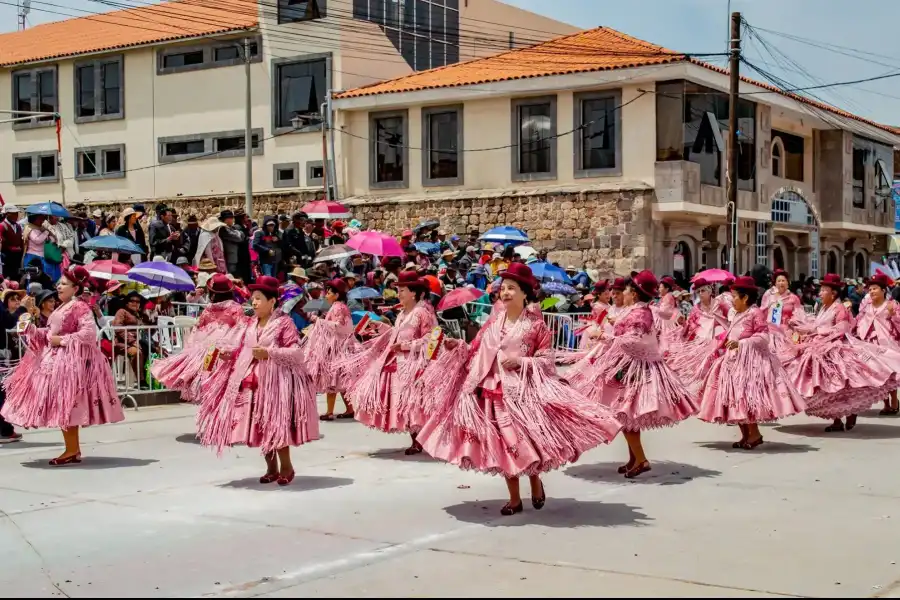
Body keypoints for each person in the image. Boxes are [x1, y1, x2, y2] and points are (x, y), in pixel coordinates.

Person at [416, 263, 622, 515]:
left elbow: (547, 361)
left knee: (526, 444)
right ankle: (514, 499)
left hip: (522, 394)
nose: (505, 293)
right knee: (504, 445)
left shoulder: (536, 326)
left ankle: (535, 480)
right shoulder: (492, 324)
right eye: (503, 288)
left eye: (512, 288)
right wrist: (455, 345)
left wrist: (521, 362)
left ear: (525, 294)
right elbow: (474, 351)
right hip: (491, 391)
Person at [566, 270, 698, 479]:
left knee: (626, 416)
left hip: (634, 370)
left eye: (626, 289)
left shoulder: (639, 314)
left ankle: (642, 459)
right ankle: (634, 458)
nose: (623, 293)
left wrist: (604, 337)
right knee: (627, 417)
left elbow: (634, 341)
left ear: (634, 294)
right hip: (627, 367)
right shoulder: (636, 310)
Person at [197, 276, 318, 486]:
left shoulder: (284, 323)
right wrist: (226, 355)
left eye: (259, 298)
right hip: (252, 380)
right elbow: (241, 348)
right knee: (261, 424)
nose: (254, 303)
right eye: (253, 298)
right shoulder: (249, 324)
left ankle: (286, 467)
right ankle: (271, 468)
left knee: (276, 424)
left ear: (272, 301)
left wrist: (269, 353)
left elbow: (297, 352)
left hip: (277, 381)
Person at [1, 266, 123, 465]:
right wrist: (30, 329)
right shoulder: (63, 306)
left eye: (64, 284)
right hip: (60, 362)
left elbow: (88, 334)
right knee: (65, 405)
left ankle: (71, 450)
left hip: (72, 364)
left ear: (75, 288)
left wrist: (62, 340)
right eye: (59, 283)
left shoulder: (79, 307)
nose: (59, 286)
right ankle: (72, 450)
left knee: (66, 404)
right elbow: (49, 335)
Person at [697, 276, 805, 449]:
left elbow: (763, 337)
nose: (732, 300)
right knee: (735, 399)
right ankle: (745, 434)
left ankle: (754, 434)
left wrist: (742, 343)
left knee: (746, 399)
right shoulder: (740, 313)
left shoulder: (755, 313)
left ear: (745, 297)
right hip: (733, 360)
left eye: (735, 297)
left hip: (751, 363)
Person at [786, 273, 900, 432]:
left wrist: (818, 333)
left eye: (823, 290)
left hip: (835, 349)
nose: (819, 293)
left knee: (839, 386)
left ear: (833, 293)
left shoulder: (840, 308)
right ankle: (838, 419)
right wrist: (803, 329)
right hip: (822, 348)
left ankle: (854, 412)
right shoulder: (823, 307)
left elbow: (842, 328)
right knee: (828, 388)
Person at [344, 271, 437, 455]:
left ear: (413, 292)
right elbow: (396, 333)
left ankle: (421, 439)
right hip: (400, 361)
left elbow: (432, 339)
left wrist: (406, 346)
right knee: (405, 402)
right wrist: (379, 326)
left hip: (416, 363)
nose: (399, 293)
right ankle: (416, 439)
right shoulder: (403, 313)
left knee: (413, 402)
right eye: (399, 290)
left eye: (402, 290)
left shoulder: (423, 313)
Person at [151, 274, 246, 402]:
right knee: (218, 384)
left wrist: (191, 348)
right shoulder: (236, 308)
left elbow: (197, 328)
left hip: (207, 350)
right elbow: (240, 330)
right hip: (224, 351)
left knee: (205, 378)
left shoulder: (209, 309)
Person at [304, 278, 358, 421]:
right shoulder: (339, 307)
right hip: (340, 347)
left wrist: (319, 321)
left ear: (336, 294)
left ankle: (329, 412)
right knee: (340, 382)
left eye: (328, 293)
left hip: (337, 349)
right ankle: (349, 409)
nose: (326, 295)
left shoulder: (338, 308)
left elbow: (339, 327)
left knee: (332, 381)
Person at [664, 277, 729, 391]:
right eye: (698, 292)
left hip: (719, 343)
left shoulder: (721, 305)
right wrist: (683, 324)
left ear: (709, 290)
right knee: (702, 374)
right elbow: (690, 328)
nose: (700, 294)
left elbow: (730, 320)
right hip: (702, 345)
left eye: (703, 291)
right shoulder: (696, 309)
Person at [854, 273, 900, 415]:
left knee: (890, 374)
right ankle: (885, 402)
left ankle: (894, 399)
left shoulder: (892, 305)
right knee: (877, 375)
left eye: (875, 288)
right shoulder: (866, 306)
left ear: (883, 290)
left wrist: (894, 315)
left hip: (887, 344)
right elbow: (858, 321)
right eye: (870, 289)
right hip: (869, 343)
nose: (872, 291)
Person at [0, 205, 24, 281]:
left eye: (17, 213)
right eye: (14, 214)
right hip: (7, 257)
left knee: (17, 277)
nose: (16, 216)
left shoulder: (18, 226)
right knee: (8, 278)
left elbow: (20, 240)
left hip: (17, 257)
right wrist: (9, 247)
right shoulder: (2, 226)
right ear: (7, 214)